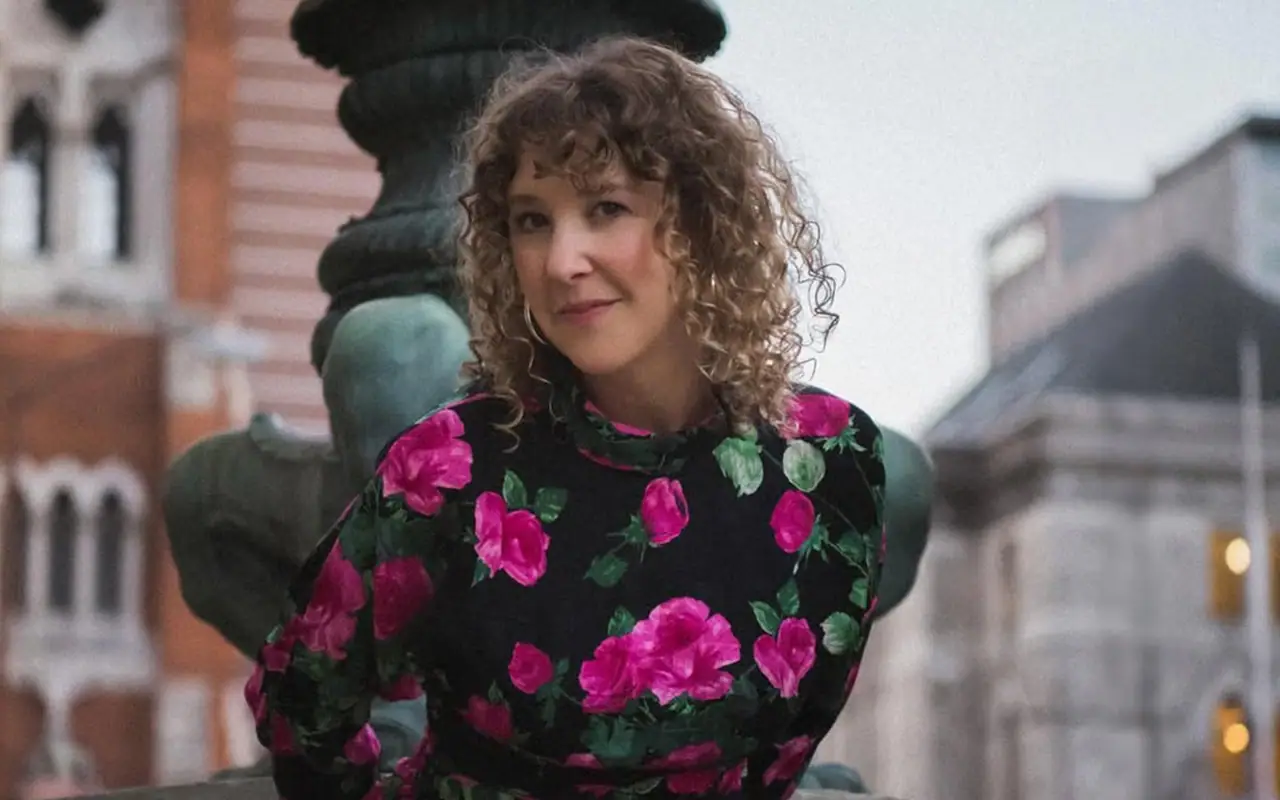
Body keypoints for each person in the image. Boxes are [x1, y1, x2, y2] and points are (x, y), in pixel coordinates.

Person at [246, 35, 886, 800]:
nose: (560, 262)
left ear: (703, 223)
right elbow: (306, 701)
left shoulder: (833, 462)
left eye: (606, 208)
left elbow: (796, 736)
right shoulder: (451, 466)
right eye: (531, 220)